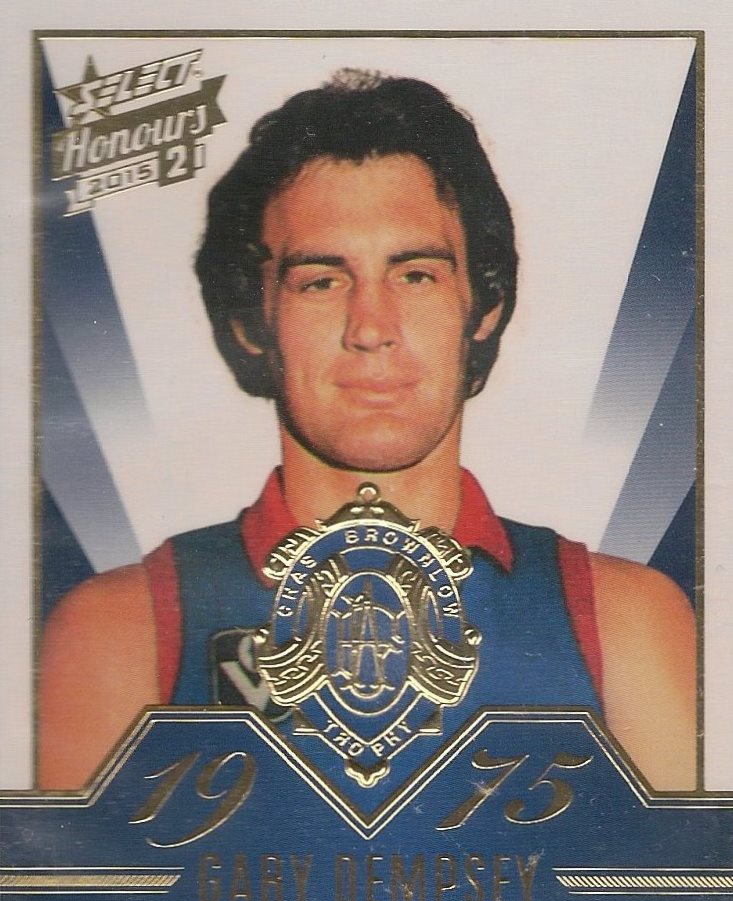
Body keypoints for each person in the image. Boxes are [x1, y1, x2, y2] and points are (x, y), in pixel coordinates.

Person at [38, 70, 696, 792]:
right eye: (321, 281)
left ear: (482, 306)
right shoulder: (122, 632)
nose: (371, 328)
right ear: (251, 322)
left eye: (415, 275)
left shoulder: (625, 623)